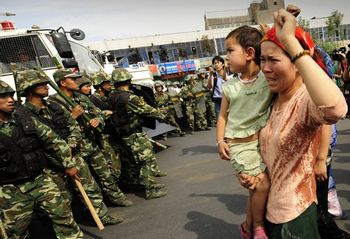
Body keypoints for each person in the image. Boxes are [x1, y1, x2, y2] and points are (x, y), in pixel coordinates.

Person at [240, 9, 347, 238]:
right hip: (269, 209)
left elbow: (336, 109)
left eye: (273, 60)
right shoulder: (271, 98)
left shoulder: (304, 100)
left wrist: (290, 41)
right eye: (262, 60)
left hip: (294, 214)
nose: (265, 68)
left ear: (298, 63)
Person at [16, 69, 123, 225]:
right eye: (41, 84)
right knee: (62, 197)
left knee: (90, 187)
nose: (47, 86)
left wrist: (70, 145)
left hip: (72, 154)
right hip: (50, 163)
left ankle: (102, 216)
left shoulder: (53, 107)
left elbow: (72, 126)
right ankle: (69, 225)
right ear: (29, 88)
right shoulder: (23, 115)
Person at [0, 80, 84, 238]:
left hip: (40, 181)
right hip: (9, 190)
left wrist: (68, 164)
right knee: (14, 233)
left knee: (64, 218)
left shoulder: (23, 118)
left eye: (10, 95)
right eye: (2, 97)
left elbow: (55, 141)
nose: (10, 100)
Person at [217, 25, 272, 239]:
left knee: (255, 189)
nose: (226, 57)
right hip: (239, 145)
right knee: (262, 184)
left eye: (230, 51)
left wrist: (275, 32)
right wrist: (220, 141)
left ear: (250, 53)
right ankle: (258, 227)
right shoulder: (230, 87)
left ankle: (247, 228)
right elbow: (222, 116)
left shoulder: (267, 78)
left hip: (262, 144)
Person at [48, 68, 132, 207]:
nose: (77, 82)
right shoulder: (53, 103)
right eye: (73, 79)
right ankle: (96, 211)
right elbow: (55, 129)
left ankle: (116, 198)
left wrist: (98, 119)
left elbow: (99, 113)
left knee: (106, 173)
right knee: (86, 182)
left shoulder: (81, 98)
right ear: (63, 82)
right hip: (75, 148)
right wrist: (72, 116)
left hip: (91, 142)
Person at [108, 68, 167, 199]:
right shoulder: (130, 97)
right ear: (128, 80)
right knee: (146, 161)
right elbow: (148, 110)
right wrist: (162, 115)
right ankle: (150, 189)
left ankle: (146, 183)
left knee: (135, 162)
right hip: (135, 135)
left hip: (123, 134)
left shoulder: (112, 97)